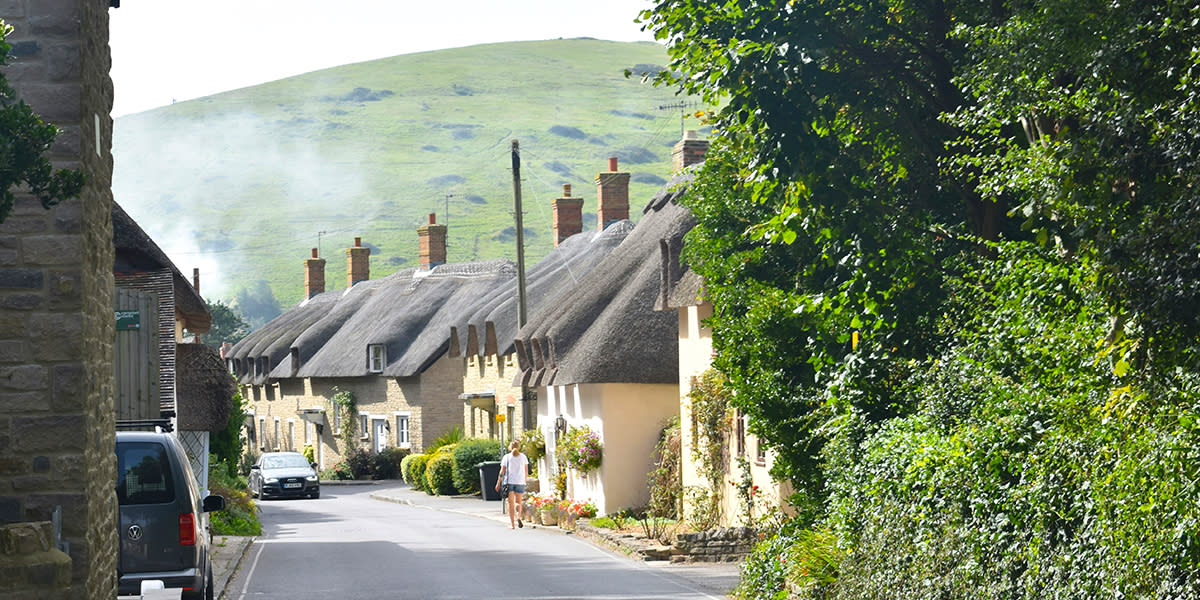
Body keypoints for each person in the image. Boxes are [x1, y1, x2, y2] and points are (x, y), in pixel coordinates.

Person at [495, 440, 528, 529]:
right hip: (520, 482)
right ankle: (518, 517)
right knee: (518, 502)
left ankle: (512, 525)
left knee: (510, 503)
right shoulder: (523, 457)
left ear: (510, 447)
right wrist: (525, 480)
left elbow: (502, 471)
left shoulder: (507, 457)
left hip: (509, 482)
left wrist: (498, 482)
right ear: (519, 447)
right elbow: (526, 471)